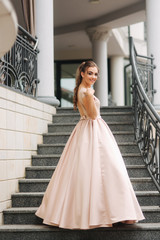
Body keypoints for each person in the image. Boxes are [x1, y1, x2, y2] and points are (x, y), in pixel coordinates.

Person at [35, 61, 145, 229]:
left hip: (90, 130)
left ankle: (117, 212)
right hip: (91, 130)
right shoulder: (85, 91)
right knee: (102, 169)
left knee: (105, 170)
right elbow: (93, 115)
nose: (93, 77)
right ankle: (110, 213)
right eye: (90, 73)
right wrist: (90, 95)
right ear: (82, 74)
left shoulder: (82, 90)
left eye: (95, 74)